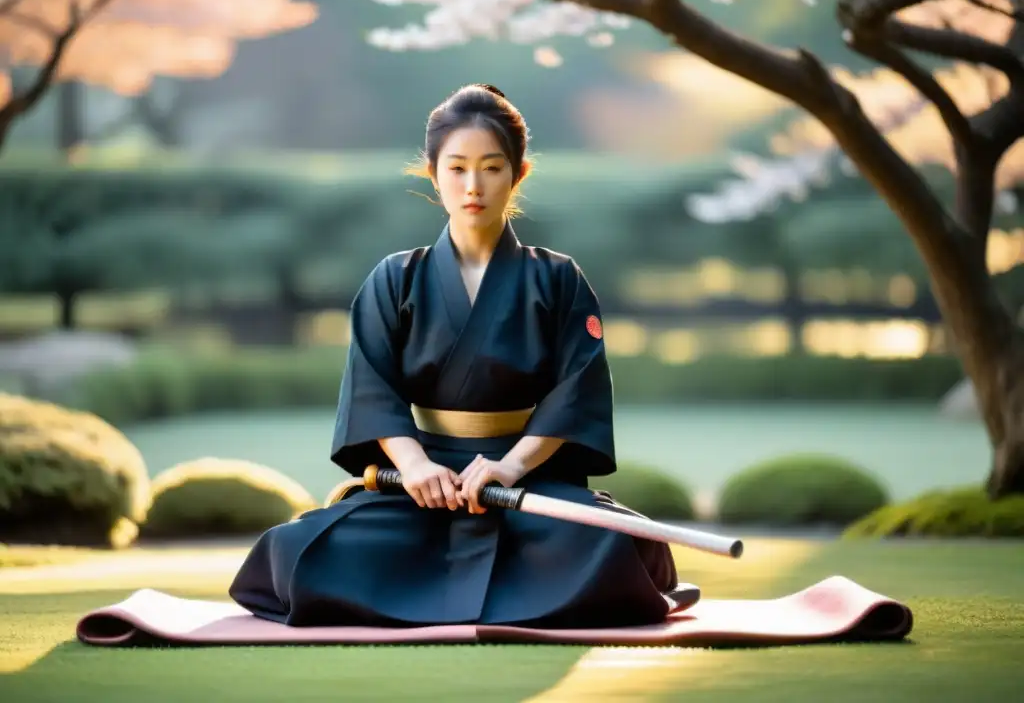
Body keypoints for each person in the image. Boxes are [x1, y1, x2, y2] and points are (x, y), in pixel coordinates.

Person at [228, 84, 699, 629]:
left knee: (619, 547)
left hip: (524, 484)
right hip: (421, 491)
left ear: (518, 173)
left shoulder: (558, 278)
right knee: (294, 551)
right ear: (433, 174)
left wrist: (511, 466)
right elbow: (372, 388)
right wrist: (415, 467)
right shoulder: (394, 278)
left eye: (491, 168)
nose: (473, 185)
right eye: (456, 168)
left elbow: (576, 392)